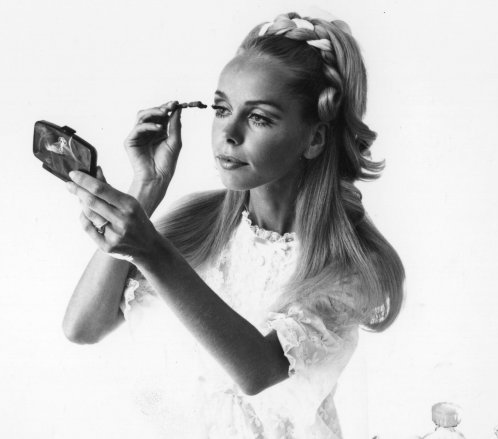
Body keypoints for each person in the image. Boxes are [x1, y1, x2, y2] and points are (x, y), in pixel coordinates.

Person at [62, 11, 405, 438]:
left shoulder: (348, 266)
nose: (229, 133)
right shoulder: (195, 224)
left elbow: (258, 372)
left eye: (259, 117)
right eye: (222, 109)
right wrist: (145, 189)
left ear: (315, 138)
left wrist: (150, 248)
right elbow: (82, 328)